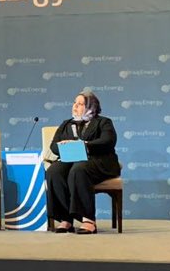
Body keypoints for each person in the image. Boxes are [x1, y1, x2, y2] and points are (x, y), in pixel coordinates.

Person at [46, 90, 121, 235]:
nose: (75, 106)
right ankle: (65, 219)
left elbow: (108, 141)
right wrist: (64, 146)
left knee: (79, 169)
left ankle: (88, 220)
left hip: (98, 161)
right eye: (74, 103)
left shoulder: (103, 122)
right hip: (71, 160)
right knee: (54, 171)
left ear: (91, 107)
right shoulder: (66, 124)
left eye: (80, 104)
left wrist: (84, 145)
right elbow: (54, 146)